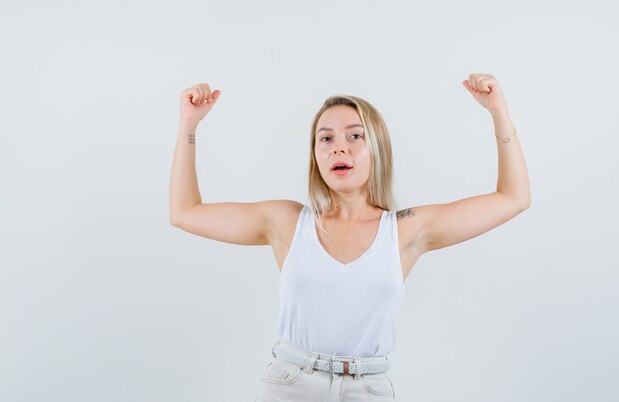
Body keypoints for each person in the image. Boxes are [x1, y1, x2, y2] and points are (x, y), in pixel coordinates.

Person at [169, 74, 531, 401]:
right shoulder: (286, 222)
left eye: (354, 136)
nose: (338, 147)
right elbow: (185, 212)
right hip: (289, 386)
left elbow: (513, 198)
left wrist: (498, 110)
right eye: (325, 138)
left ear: (377, 148)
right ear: (316, 156)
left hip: (367, 389)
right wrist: (190, 125)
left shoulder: (405, 229)